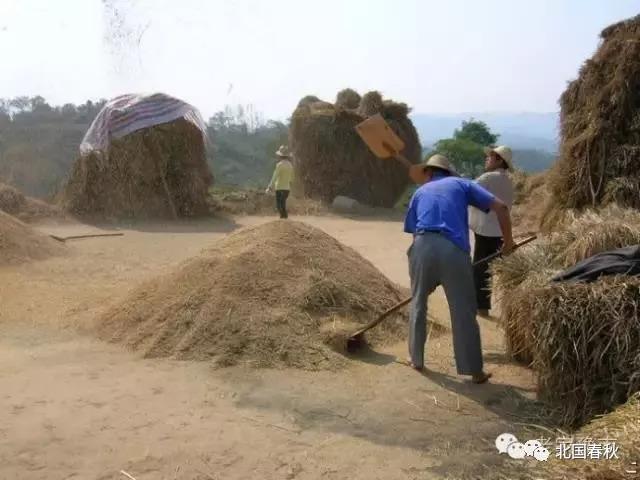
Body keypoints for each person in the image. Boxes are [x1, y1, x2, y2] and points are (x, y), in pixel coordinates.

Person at [403, 154, 514, 384]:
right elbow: (501, 208)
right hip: (453, 250)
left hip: (422, 246)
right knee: (463, 310)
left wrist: (423, 269)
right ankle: (474, 371)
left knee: (418, 303)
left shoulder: (420, 192)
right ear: (449, 173)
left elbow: (414, 232)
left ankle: (416, 360)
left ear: (429, 173)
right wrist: (509, 242)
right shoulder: (462, 184)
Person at [469, 146, 515, 317]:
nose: (486, 159)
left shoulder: (488, 177)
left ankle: (481, 308)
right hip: (500, 231)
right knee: (491, 269)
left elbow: (468, 189)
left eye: (490, 157)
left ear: (499, 160)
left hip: (485, 230)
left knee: (480, 269)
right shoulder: (508, 180)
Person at [266, 145, 294, 219]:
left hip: (279, 188)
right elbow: (291, 178)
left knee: (279, 206)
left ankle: (283, 220)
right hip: (287, 189)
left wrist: (270, 187)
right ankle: (284, 219)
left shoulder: (279, 165)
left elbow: (274, 177)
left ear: (280, 156)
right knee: (283, 204)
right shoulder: (290, 165)